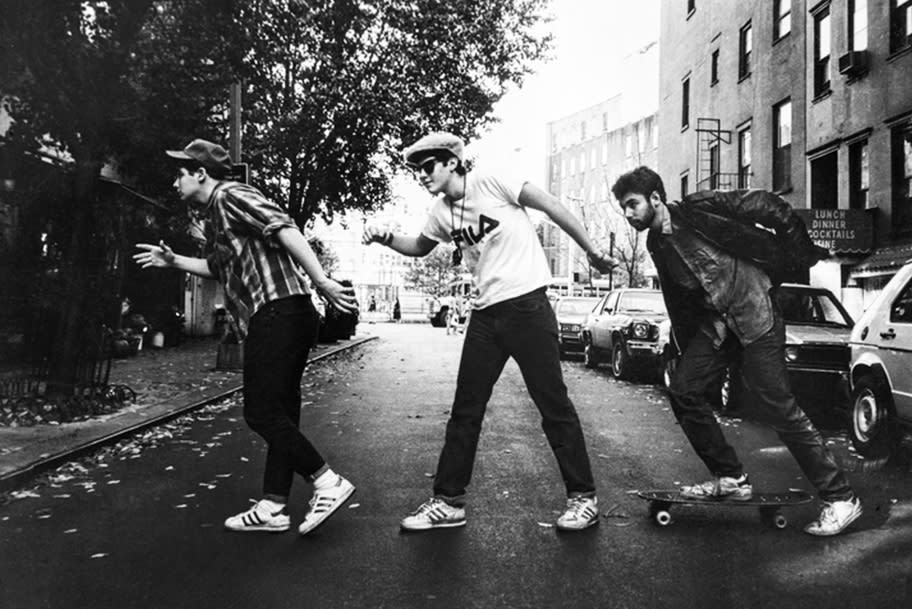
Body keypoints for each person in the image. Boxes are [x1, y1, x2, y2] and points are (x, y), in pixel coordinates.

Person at [363, 132, 615, 532]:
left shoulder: (493, 180)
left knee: (553, 405)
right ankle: (448, 501)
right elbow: (419, 246)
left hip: (528, 306)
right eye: (417, 171)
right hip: (485, 316)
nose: (423, 176)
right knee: (466, 409)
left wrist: (590, 249)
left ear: (451, 162)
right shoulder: (440, 212)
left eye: (428, 167)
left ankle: (583, 498)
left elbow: (550, 206)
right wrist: (385, 237)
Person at [610, 165, 862, 537]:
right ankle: (730, 477)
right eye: (623, 208)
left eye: (632, 204)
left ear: (656, 198)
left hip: (755, 309)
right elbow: (680, 301)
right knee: (684, 390)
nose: (628, 214)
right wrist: (685, 346)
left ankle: (841, 498)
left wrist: (796, 256)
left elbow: (765, 204)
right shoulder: (656, 245)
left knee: (776, 403)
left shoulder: (699, 208)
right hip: (717, 326)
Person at [134, 139, 359, 536]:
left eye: (180, 173)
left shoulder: (231, 195)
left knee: (260, 412)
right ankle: (273, 505)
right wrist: (172, 262)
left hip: (279, 312)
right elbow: (217, 267)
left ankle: (327, 481)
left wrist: (322, 279)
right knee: (281, 413)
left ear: (200, 173)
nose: (175, 182)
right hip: (285, 313)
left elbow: (284, 226)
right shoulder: (216, 217)